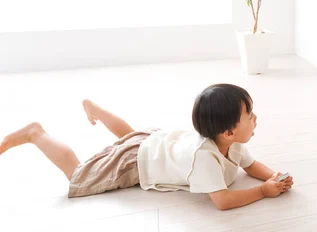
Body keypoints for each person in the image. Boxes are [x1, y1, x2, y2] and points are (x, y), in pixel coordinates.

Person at [0, 83, 293, 211]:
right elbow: (223, 202)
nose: (255, 119)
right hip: (138, 163)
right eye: (250, 115)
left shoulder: (231, 142)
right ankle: (35, 134)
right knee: (79, 175)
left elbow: (251, 166)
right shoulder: (205, 158)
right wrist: (262, 192)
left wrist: (272, 176)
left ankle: (98, 111)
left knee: (128, 137)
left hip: (155, 142)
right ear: (229, 132)